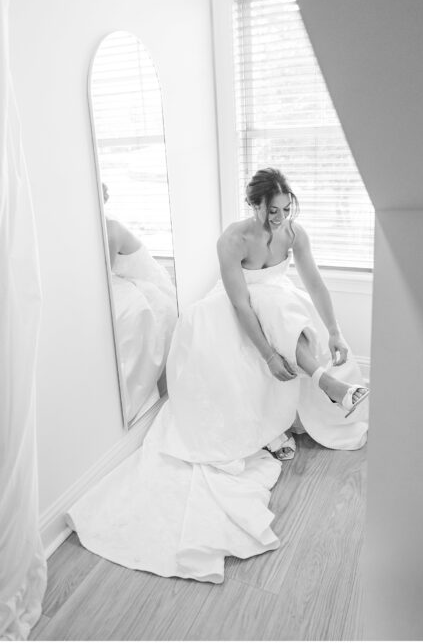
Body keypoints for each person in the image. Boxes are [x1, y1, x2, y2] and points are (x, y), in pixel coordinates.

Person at [68, 168, 369, 583]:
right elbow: (242, 303)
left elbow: (314, 280)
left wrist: (334, 330)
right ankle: (324, 391)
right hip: (233, 307)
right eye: (271, 211)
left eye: (285, 210)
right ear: (255, 205)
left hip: (275, 299)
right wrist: (265, 355)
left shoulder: (294, 235)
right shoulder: (232, 240)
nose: (279, 219)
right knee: (273, 315)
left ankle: (319, 394)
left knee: (287, 311)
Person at [102, 183, 177, 422]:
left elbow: (102, 277)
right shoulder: (97, 229)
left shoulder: (110, 229)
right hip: (127, 285)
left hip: (150, 287)